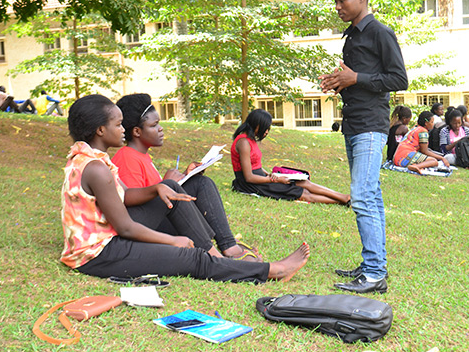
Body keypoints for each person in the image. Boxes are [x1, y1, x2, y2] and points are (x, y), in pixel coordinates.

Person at [61, 94, 309, 283]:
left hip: (110, 241)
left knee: (169, 188)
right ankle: (272, 270)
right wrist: (173, 240)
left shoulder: (91, 159)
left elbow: (124, 195)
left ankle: (222, 252)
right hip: (99, 254)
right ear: (101, 130)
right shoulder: (96, 168)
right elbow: (125, 226)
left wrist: (159, 188)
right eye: (118, 124)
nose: (123, 129)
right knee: (193, 258)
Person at [318, 0, 408, 294]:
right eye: (336, 1)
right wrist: (339, 81)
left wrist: (356, 78)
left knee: (362, 196)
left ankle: (374, 273)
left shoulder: (380, 33)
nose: (338, 6)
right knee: (372, 196)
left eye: (342, 0)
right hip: (353, 123)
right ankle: (373, 263)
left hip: (371, 125)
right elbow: (358, 78)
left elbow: (399, 79)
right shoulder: (352, 36)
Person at [112, 93, 261, 261]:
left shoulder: (142, 156)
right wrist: (167, 183)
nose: (160, 129)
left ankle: (228, 245)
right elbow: (132, 204)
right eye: (154, 125)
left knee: (200, 183)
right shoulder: (126, 157)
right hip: (149, 230)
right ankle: (220, 254)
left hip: (163, 217)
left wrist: (185, 176)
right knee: (196, 185)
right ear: (137, 131)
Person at [231, 109, 350, 205]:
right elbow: (249, 177)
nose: (266, 132)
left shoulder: (250, 140)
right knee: (303, 193)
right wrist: (275, 179)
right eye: (265, 128)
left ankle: (343, 197)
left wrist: (268, 174)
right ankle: (343, 201)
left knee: (304, 182)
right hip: (251, 184)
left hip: (262, 178)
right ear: (256, 126)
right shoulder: (243, 143)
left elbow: (255, 165)